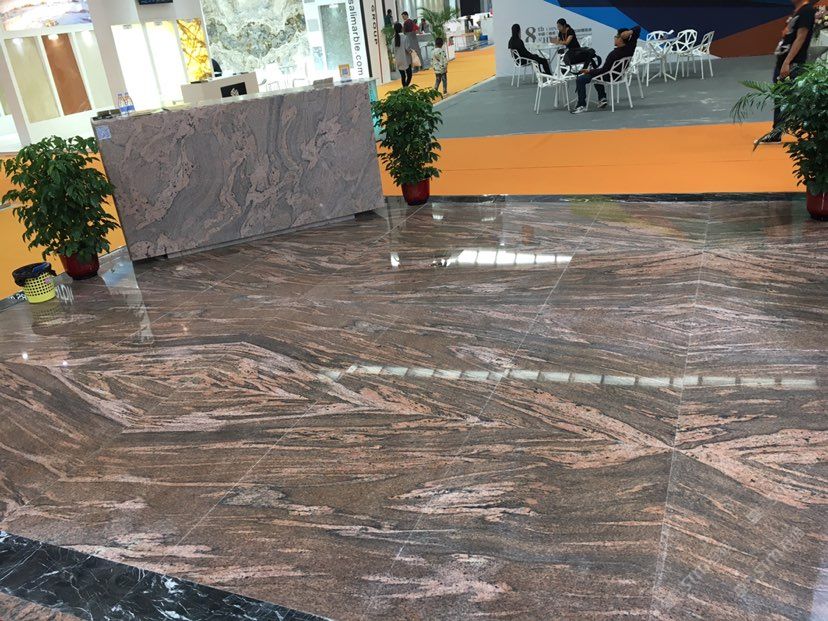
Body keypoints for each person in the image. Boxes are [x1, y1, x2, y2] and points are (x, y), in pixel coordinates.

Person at [756, 0, 817, 144]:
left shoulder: (807, 11)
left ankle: (813, 132)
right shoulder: (798, 11)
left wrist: (787, 62)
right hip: (784, 62)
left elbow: (801, 37)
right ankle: (777, 132)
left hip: (792, 64)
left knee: (793, 99)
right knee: (781, 98)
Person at [571, 26, 640, 114]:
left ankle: (581, 105)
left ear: (621, 39)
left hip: (610, 76)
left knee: (581, 79)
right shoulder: (630, 48)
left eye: (616, 36)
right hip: (619, 75)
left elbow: (604, 70)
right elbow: (638, 28)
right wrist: (630, 32)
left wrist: (589, 71)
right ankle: (602, 98)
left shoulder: (613, 54)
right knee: (596, 74)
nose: (614, 38)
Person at [393, 22, 413, 87]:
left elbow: (392, 50)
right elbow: (407, 48)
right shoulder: (405, 37)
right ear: (401, 28)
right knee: (409, 75)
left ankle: (404, 88)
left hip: (398, 60)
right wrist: (411, 51)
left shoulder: (393, 39)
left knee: (403, 76)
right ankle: (405, 87)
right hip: (406, 60)